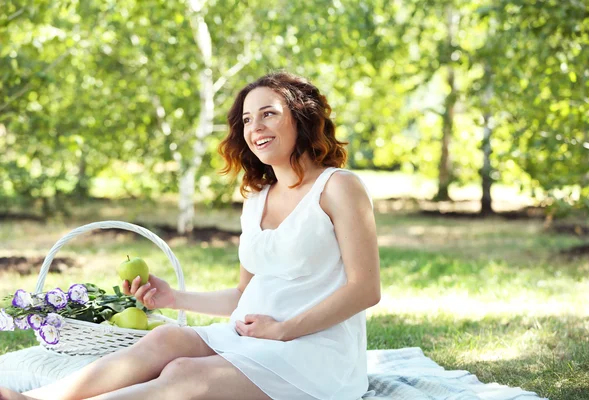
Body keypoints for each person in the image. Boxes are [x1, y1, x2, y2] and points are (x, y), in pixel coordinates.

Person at [0, 71, 381, 400]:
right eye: (247, 119)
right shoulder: (257, 198)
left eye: (269, 114)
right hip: (252, 338)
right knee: (167, 341)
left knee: (186, 375)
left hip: (316, 353)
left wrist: (282, 331)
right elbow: (240, 297)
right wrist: (173, 297)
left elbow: (365, 288)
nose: (256, 128)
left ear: (301, 117)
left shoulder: (338, 187)